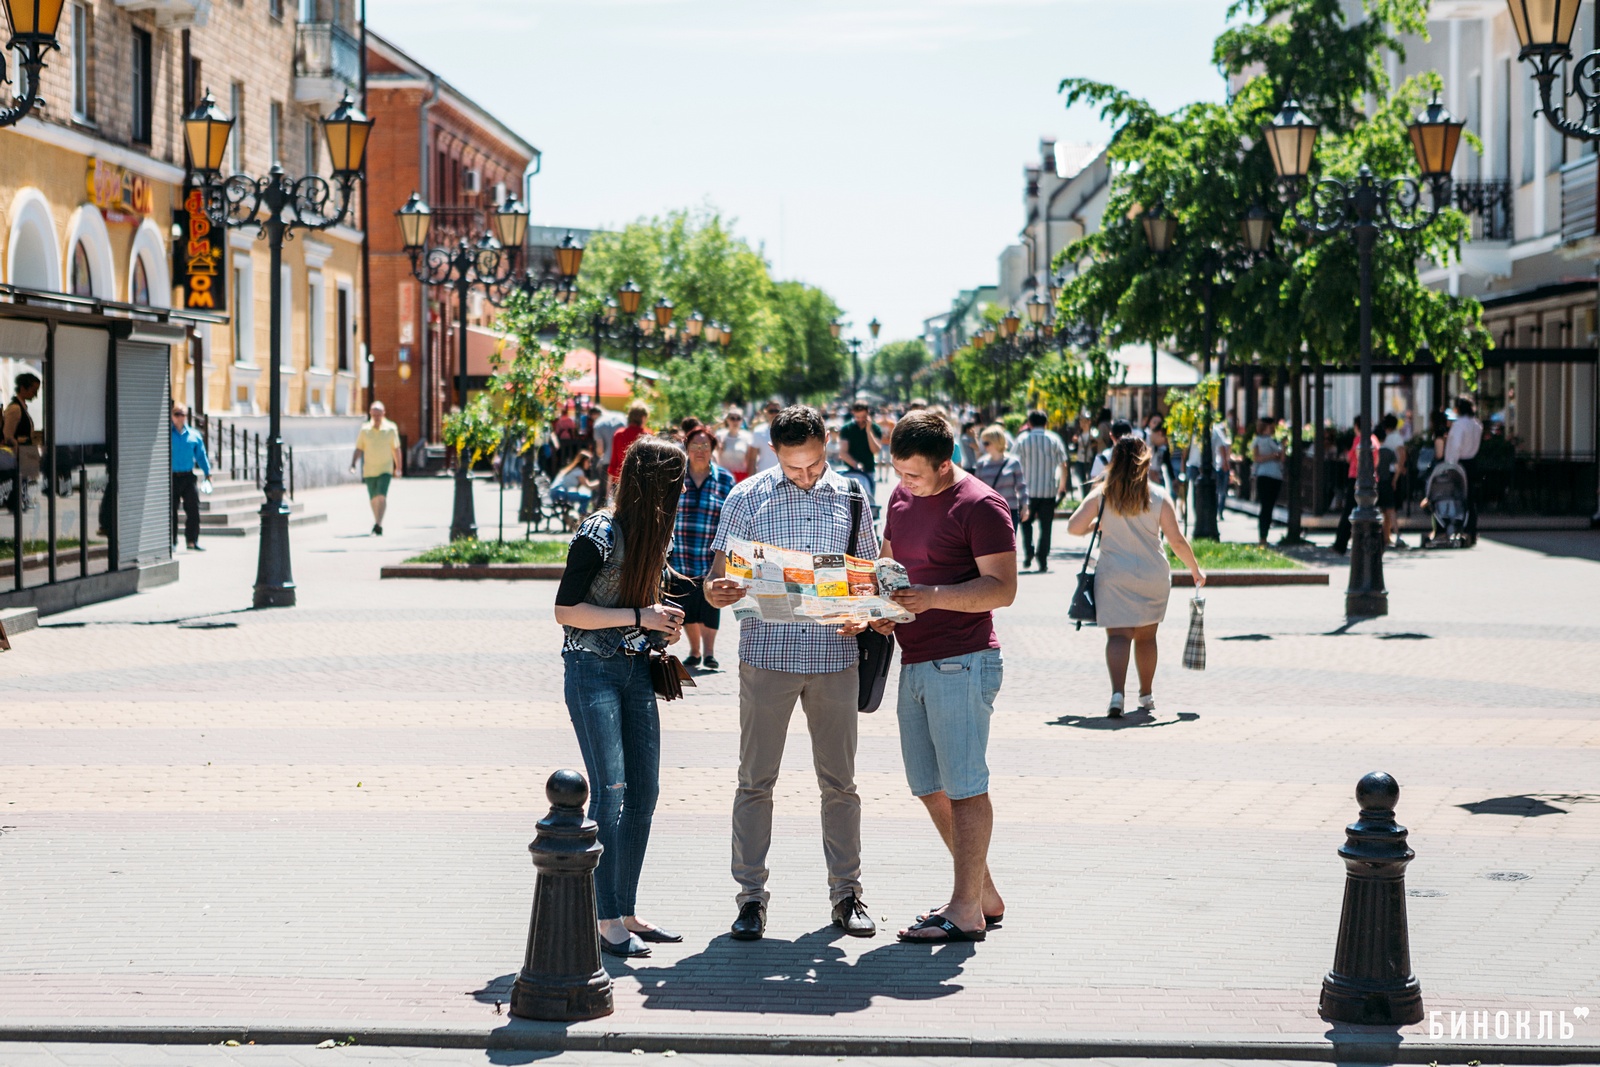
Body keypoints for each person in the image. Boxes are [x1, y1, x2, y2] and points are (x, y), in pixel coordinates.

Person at [702, 406, 880, 942]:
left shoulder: (852, 494)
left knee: (841, 785)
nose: (804, 477)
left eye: (812, 466)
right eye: (793, 468)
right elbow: (717, 579)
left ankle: (847, 894)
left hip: (834, 659)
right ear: (773, 452)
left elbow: (865, 578)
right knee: (755, 781)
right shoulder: (746, 496)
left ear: (825, 444)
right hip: (767, 658)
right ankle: (750, 899)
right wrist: (718, 591)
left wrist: (861, 612)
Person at [864, 411, 1017, 943]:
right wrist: (884, 610)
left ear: (945, 463)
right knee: (930, 787)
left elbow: (1001, 588)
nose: (903, 482)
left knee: (965, 786)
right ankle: (982, 895)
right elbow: (891, 567)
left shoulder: (980, 504)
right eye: (897, 470)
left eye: (913, 474)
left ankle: (965, 909)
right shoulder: (900, 499)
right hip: (914, 656)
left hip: (964, 659)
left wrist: (931, 599)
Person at [553, 436, 689, 959]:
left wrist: (662, 626)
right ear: (655, 485)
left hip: (634, 670)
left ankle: (626, 910)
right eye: (675, 484)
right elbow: (567, 611)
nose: (682, 495)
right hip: (591, 670)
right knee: (610, 793)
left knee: (644, 793)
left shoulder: (657, 536)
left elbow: (643, 605)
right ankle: (604, 916)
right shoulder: (598, 532)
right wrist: (640, 618)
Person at [1067, 436, 1205, 718]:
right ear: (1146, 461)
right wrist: (1194, 569)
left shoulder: (1103, 494)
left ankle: (1117, 695)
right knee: (1146, 637)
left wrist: (1098, 523)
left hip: (1114, 575)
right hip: (1152, 575)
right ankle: (1146, 695)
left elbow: (1073, 527)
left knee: (1118, 635)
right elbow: (1176, 540)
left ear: (1114, 461)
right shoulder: (1158, 495)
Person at [672, 428, 735, 671]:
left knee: (710, 603)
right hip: (682, 551)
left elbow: (732, 517)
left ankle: (709, 653)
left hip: (712, 552)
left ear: (712, 450)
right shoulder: (677, 475)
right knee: (687, 603)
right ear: (687, 448)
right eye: (695, 446)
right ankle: (695, 651)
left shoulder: (724, 479)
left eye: (705, 446)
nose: (700, 451)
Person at [1013, 410, 1069, 573]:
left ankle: (1029, 550)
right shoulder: (1054, 439)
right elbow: (1063, 465)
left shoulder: (1022, 440)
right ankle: (1042, 559)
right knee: (1046, 527)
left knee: (1026, 523)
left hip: (1026, 491)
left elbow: (1013, 463)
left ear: (1029, 423)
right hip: (1048, 491)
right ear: (1046, 423)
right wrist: (1062, 486)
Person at [350, 401, 402, 536]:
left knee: (381, 496)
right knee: (373, 498)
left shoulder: (391, 429)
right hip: (369, 470)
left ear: (383, 414)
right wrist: (353, 464)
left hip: (385, 469)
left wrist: (398, 467)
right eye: (374, 415)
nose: (377, 418)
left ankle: (378, 523)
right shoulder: (365, 429)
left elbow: (396, 449)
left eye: (379, 415)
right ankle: (377, 520)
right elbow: (359, 448)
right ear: (370, 414)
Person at [1332, 417, 1380, 555]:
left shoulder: (1360, 440)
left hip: (1357, 479)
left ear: (1357, 426)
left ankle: (1340, 545)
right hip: (1371, 480)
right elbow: (1377, 460)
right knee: (1369, 512)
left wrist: (1361, 478)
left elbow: (1358, 459)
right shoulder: (1374, 439)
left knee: (1349, 512)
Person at [973, 425, 1029, 538]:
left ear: (996, 442)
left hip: (1009, 510)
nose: (984, 447)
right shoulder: (981, 464)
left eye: (986, 443)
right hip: (988, 512)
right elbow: (974, 490)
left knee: (1009, 544)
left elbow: (1021, 486)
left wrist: (1025, 506)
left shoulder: (1013, 462)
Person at [170, 404, 212, 552]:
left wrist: (208, 473)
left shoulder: (194, 435)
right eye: (176, 414)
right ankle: (172, 542)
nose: (179, 417)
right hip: (172, 477)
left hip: (188, 476)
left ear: (186, 416)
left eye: (181, 414)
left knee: (193, 509)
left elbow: (201, 455)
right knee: (171, 511)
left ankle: (192, 541)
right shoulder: (166, 434)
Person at [1444, 395, 1482, 546]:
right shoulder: (1476, 424)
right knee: (1471, 499)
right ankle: (1471, 529)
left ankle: (1462, 528)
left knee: (1460, 498)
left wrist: (1450, 464)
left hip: (1460, 463)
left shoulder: (1459, 425)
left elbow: (1455, 446)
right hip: (1472, 461)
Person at [3, 372, 41, 513]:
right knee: (19, 480)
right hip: (19, 453)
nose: (35, 395)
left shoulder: (22, 407)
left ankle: (22, 500)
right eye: (33, 390)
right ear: (23, 388)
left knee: (24, 480)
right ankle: (17, 502)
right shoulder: (15, 409)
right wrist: (19, 446)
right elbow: (7, 434)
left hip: (25, 452)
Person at [1185, 417, 1232, 520]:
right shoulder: (1193, 430)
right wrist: (1183, 465)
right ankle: (1199, 517)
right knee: (1196, 492)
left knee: (1212, 491)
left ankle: (1211, 516)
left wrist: (1224, 462)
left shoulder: (1215, 430)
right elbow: (1186, 448)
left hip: (1211, 466)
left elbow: (1221, 447)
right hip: (1194, 464)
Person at [1250, 417, 1286, 547]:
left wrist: (1282, 448)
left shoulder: (1267, 440)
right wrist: (1273, 455)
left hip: (1271, 476)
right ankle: (1263, 537)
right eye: (1271, 426)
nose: (1273, 429)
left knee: (1267, 507)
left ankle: (1263, 536)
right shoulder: (1263, 440)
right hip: (1268, 476)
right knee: (1267, 507)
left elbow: (1281, 458)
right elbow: (1257, 457)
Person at [838, 402, 884, 496]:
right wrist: (856, 464)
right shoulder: (846, 429)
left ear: (867, 413)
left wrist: (868, 431)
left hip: (869, 471)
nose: (860, 420)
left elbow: (875, 450)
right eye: (858, 417)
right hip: (850, 471)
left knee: (869, 500)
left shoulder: (875, 428)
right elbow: (843, 453)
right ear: (853, 413)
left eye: (863, 417)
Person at [1378, 414, 1408, 549]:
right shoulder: (1396, 438)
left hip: (1382, 477)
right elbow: (1402, 455)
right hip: (1391, 476)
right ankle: (1390, 535)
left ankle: (1386, 536)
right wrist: (1400, 472)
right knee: (1390, 508)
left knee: (1385, 509)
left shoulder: (1381, 443)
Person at [591, 404, 628, 504]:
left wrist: (600, 457)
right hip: (623, 460)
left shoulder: (598, 424)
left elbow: (600, 448)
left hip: (607, 461)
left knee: (603, 494)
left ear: (595, 415)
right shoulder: (621, 417)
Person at [608, 403, 651, 488]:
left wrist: (608, 489)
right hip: (640, 481)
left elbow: (614, 461)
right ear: (643, 417)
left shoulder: (619, 434)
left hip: (620, 479)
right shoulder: (647, 435)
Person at [550, 450, 599, 521]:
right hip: (560, 494)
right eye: (589, 462)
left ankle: (577, 517)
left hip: (556, 492)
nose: (590, 464)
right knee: (586, 497)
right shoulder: (579, 472)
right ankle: (581, 518)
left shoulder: (573, 469)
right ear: (584, 461)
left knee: (581, 496)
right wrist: (601, 483)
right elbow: (589, 486)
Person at [746, 401, 784, 478]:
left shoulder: (788, 431)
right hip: (764, 474)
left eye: (776, 411)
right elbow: (752, 458)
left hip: (784, 475)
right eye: (771, 411)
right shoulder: (758, 432)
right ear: (765, 412)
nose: (774, 414)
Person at [716, 409, 754, 481]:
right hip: (724, 475)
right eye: (732, 418)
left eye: (738, 418)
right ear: (727, 420)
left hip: (741, 476)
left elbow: (750, 460)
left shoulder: (747, 436)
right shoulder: (720, 436)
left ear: (742, 421)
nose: (735, 421)